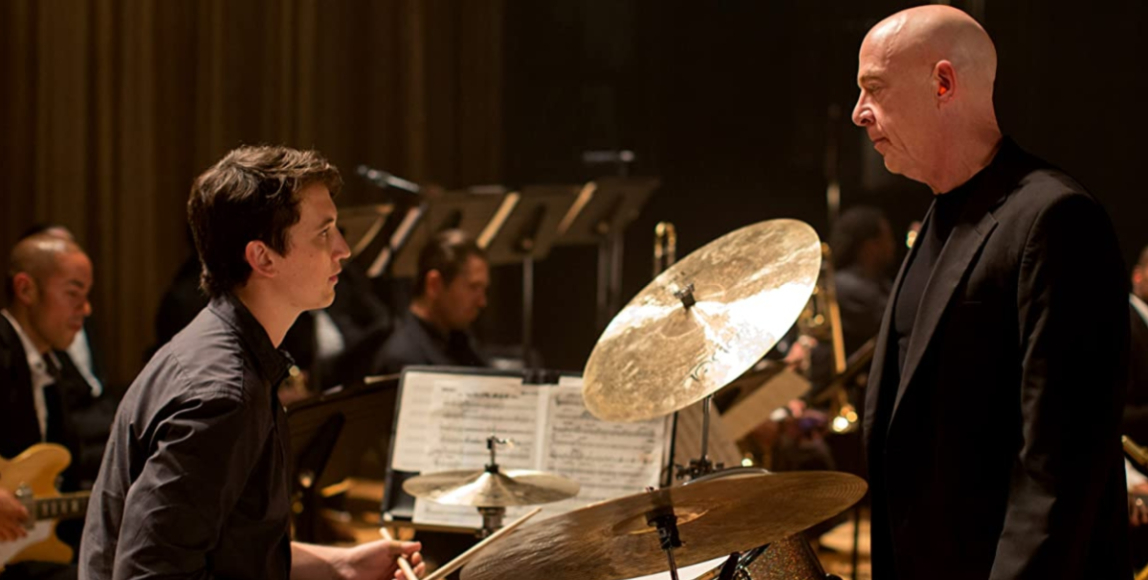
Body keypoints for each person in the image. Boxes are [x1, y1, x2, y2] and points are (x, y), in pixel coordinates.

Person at [854, 6, 1129, 579]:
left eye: (874, 88)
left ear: (943, 83)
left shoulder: (1055, 217)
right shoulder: (937, 218)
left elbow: (1058, 465)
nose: (859, 112)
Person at [79, 145, 424, 579]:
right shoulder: (221, 397)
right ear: (262, 257)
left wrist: (345, 565)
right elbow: (147, 574)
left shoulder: (220, 350)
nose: (343, 249)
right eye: (324, 233)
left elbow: (232, 553)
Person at [0, 234, 112, 579]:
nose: (86, 308)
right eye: (73, 293)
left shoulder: (54, 367)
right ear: (26, 289)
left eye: (87, 295)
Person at [371, 229, 488, 375]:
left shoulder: (460, 341)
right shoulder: (403, 360)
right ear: (434, 284)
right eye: (473, 287)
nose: (482, 302)